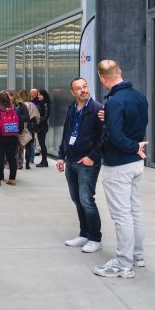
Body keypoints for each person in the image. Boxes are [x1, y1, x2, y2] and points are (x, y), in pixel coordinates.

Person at [93, 60, 148, 279]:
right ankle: (137, 255)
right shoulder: (139, 97)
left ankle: (124, 263)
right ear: (120, 72)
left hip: (119, 164)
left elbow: (116, 136)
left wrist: (133, 147)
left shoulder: (114, 102)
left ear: (102, 79)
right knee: (134, 211)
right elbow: (133, 124)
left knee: (122, 215)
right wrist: (135, 147)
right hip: (136, 163)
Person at [56, 78, 104, 254]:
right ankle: (84, 234)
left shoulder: (97, 109)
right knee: (76, 199)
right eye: (78, 88)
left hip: (87, 163)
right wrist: (61, 156)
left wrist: (92, 157)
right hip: (71, 160)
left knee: (87, 200)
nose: (83, 90)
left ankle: (95, 238)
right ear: (73, 92)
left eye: (84, 86)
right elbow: (66, 134)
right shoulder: (71, 109)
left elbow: (104, 137)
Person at [0, 91, 24, 186]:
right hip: (12, 137)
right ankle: (12, 179)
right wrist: (17, 132)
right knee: (12, 157)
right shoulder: (15, 109)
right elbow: (21, 123)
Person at [15, 90, 40, 170]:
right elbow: (37, 116)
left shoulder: (20, 105)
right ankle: (28, 164)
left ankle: (20, 162)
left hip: (22, 127)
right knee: (29, 146)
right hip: (31, 127)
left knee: (20, 146)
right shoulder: (32, 105)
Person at [34, 89, 51, 167]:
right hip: (40, 127)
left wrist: (38, 122)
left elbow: (45, 117)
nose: (38, 96)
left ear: (44, 95)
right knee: (41, 144)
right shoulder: (40, 103)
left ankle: (44, 161)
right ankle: (44, 161)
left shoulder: (46, 104)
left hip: (42, 127)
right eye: (38, 95)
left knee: (42, 144)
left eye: (40, 95)